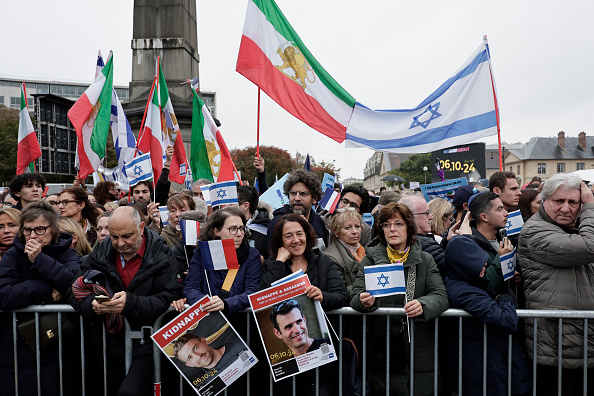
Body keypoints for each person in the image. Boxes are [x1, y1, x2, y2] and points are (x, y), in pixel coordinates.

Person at [70, 206, 182, 396]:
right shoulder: (99, 254)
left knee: (131, 391)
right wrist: (92, 304)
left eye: (127, 236)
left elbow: (169, 297)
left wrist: (130, 303)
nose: (120, 243)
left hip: (147, 341)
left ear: (141, 227)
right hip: (107, 343)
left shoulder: (163, 256)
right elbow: (75, 289)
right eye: (114, 237)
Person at [350, 202, 448, 396]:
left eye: (398, 224)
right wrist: (363, 300)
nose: (392, 229)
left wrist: (423, 304)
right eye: (386, 225)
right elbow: (354, 296)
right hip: (384, 347)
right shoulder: (370, 259)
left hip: (419, 347)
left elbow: (441, 296)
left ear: (409, 227)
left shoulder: (425, 259)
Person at [518, 173, 594, 395]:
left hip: (584, 340)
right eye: (559, 201)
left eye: (573, 202)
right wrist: (589, 207)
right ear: (544, 200)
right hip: (556, 345)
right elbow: (589, 247)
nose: (565, 208)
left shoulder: (580, 225)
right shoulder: (535, 231)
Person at [0, 201, 81, 396]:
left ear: (53, 230)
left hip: (59, 343)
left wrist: (40, 259)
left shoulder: (68, 253)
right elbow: (3, 294)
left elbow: (74, 284)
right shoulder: (14, 255)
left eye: (39, 229)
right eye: (27, 230)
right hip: (19, 347)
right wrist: (45, 288)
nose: (33, 236)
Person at [444, 236, 531, 396]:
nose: (484, 264)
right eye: (476, 260)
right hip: (486, 374)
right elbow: (507, 321)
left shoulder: (467, 283)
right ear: (463, 264)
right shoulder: (464, 292)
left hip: (490, 368)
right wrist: (505, 298)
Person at [261, 213, 349, 311]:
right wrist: (279, 262)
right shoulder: (272, 264)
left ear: (306, 235)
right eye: (288, 236)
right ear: (280, 240)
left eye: (299, 234)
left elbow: (342, 296)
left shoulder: (323, 261)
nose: (296, 240)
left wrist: (323, 297)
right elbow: (262, 301)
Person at [184, 207, 262, 316]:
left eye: (241, 228)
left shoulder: (251, 255)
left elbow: (252, 291)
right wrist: (207, 303)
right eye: (233, 228)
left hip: (238, 322)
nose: (239, 233)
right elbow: (191, 287)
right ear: (216, 231)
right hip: (208, 321)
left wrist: (226, 304)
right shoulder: (201, 253)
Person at [266, 170, 328, 252]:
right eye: (293, 193)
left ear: (315, 199)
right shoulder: (277, 223)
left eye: (303, 194)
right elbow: (272, 258)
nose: (297, 198)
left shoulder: (318, 221)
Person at [322, 210, 365, 292]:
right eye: (347, 228)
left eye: (357, 226)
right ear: (337, 233)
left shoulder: (362, 250)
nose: (355, 232)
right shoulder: (331, 258)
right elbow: (341, 292)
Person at [237, 184, 273, 259]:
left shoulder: (266, 229)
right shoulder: (227, 227)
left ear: (246, 206)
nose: (227, 207)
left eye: (232, 204)